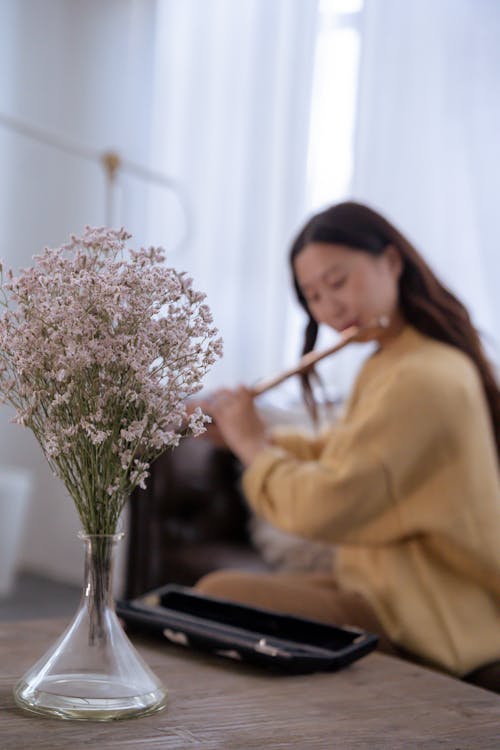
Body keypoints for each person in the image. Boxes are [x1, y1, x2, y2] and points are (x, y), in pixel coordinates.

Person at [195, 200, 500, 678]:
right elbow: (341, 450)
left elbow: (327, 501)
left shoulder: (423, 376)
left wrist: (253, 443)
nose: (329, 307)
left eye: (336, 282)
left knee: (219, 596)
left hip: (431, 618)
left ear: (392, 262)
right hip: (385, 588)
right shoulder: (392, 362)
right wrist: (235, 434)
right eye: (313, 296)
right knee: (214, 595)